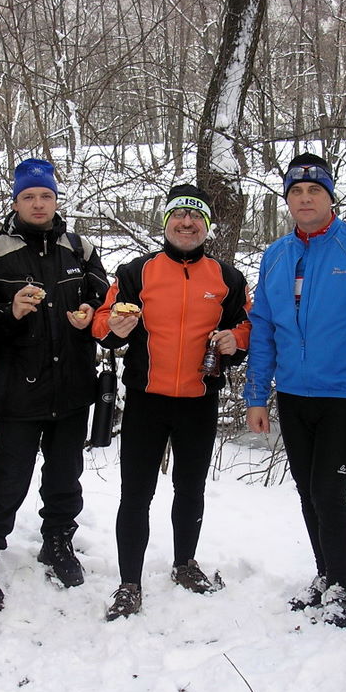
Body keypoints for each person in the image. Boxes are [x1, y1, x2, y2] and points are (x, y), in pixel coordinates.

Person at [244, 153, 346, 628]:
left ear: (330, 197)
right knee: (307, 490)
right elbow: (264, 329)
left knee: (328, 491)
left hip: (345, 395)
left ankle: (339, 587)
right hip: (294, 395)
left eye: (315, 190)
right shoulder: (277, 255)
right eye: (296, 191)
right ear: (287, 200)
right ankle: (324, 573)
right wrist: (257, 395)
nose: (305, 198)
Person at [92, 184, 251, 621]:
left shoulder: (227, 278)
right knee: (135, 494)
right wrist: (113, 328)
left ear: (207, 227)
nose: (187, 223)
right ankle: (129, 583)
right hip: (147, 400)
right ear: (166, 223)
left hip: (199, 401)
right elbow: (102, 322)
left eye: (196, 217)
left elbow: (249, 326)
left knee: (191, 488)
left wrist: (235, 339)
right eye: (179, 215)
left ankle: (185, 564)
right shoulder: (136, 271)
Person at [0, 158, 109, 610]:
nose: (39, 204)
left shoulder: (79, 249)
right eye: (29, 196)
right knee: (9, 479)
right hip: (20, 389)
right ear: (15, 202)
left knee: (66, 477)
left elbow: (104, 300)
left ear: (56, 200)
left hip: (72, 386)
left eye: (46, 195)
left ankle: (58, 542)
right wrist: (10, 312)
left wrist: (90, 313)